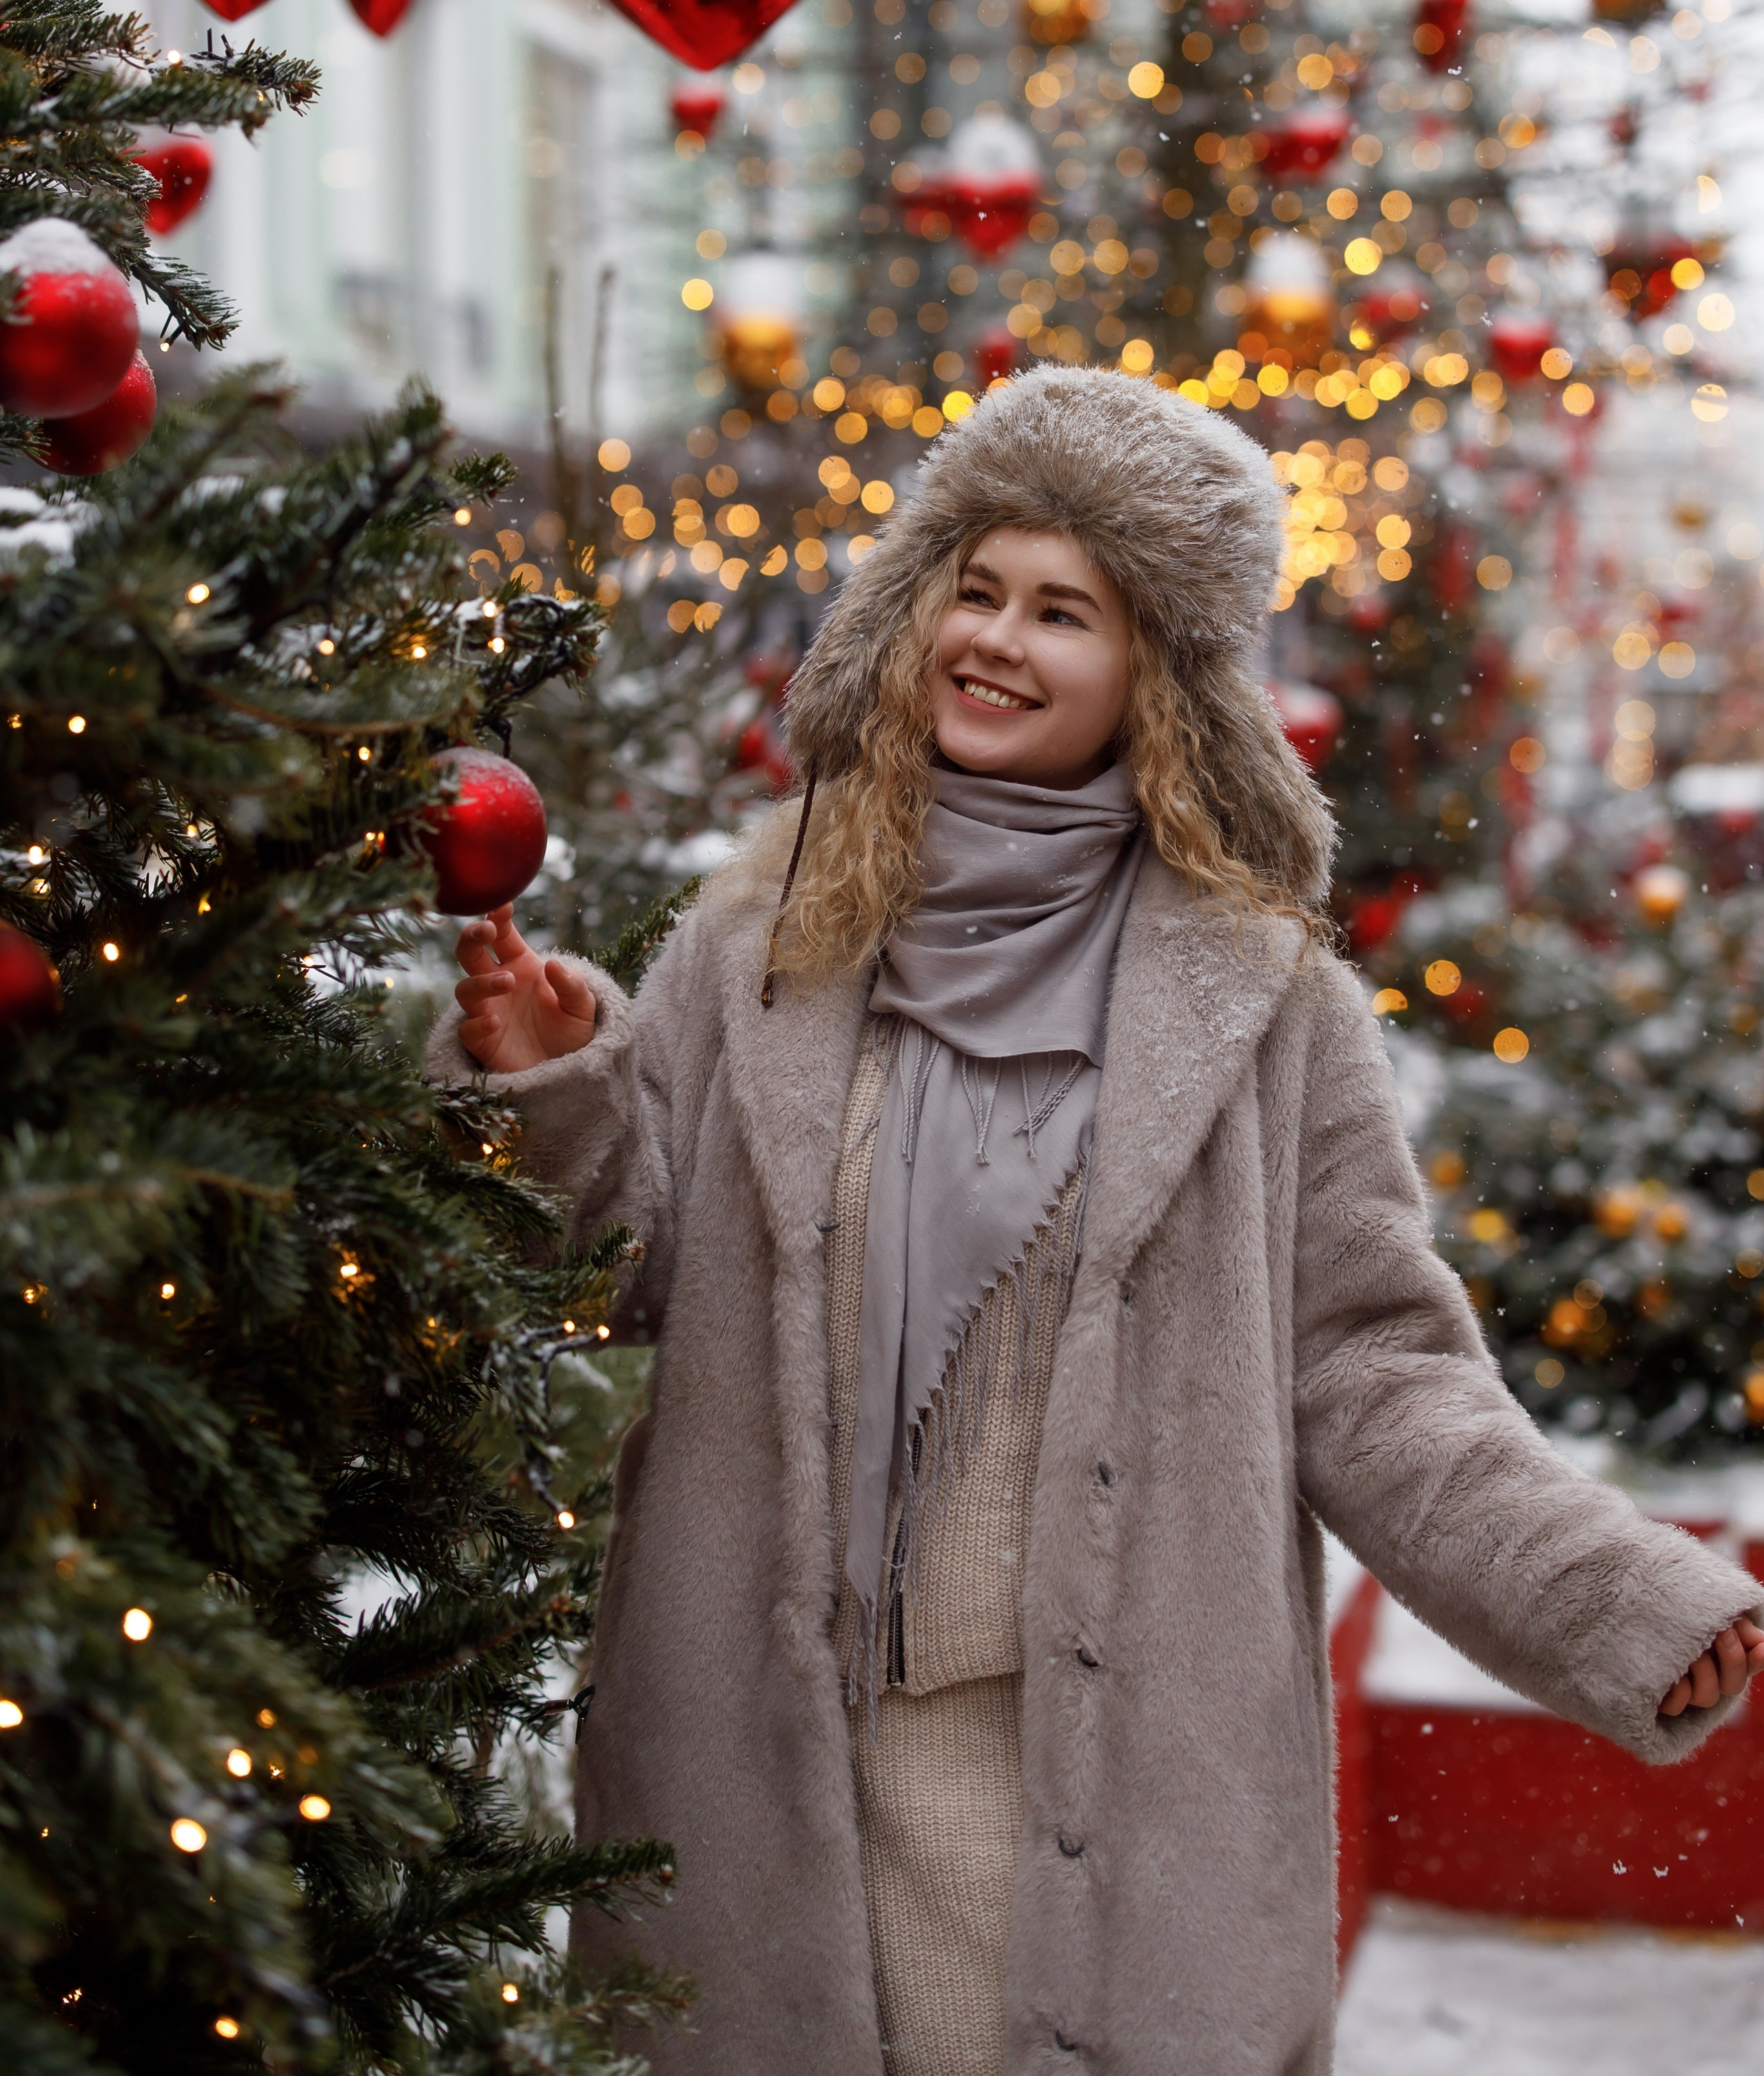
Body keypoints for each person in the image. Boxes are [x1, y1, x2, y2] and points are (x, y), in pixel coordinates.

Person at [430, 369, 1763, 2076]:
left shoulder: (1263, 1005)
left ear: (1154, 675)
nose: (994, 640)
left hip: (1113, 1802)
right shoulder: (759, 938)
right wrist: (555, 1095)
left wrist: (1606, 1595)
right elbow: (623, 1273)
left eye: (1064, 610)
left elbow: (1372, 1377)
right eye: (971, 590)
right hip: (763, 1786)